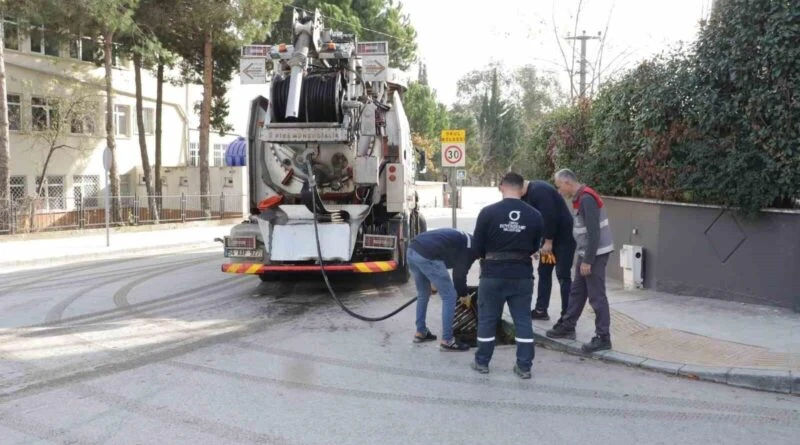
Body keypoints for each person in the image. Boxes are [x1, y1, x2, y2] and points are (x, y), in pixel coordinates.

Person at [471, 172, 544, 379]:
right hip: (521, 275)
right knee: (523, 321)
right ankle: (524, 367)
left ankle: (482, 362)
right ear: (522, 189)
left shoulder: (487, 213)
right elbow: (534, 246)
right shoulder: (535, 215)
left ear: (501, 186)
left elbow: (477, 247)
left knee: (487, 319)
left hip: (492, 274)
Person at [546, 169, 615, 353]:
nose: (559, 190)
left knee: (596, 295)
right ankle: (568, 325)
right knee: (577, 292)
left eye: (559, 186)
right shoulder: (580, 198)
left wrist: (588, 261)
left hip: (595, 255)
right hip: (587, 254)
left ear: (567, 182)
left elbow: (594, 233)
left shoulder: (586, 199)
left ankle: (603, 337)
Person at [407, 228, 479, 351]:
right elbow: (459, 277)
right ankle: (447, 341)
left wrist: (434, 282)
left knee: (423, 293)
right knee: (450, 296)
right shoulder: (471, 249)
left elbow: (443, 259)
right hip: (427, 255)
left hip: (412, 250)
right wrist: (464, 295)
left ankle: (421, 332)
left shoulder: (465, 240)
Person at [521, 178, 577, 321]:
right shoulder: (526, 195)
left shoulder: (539, 191)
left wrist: (548, 241)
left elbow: (549, 217)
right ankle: (541, 310)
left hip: (562, 241)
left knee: (563, 275)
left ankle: (567, 316)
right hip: (548, 244)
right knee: (544, 272)